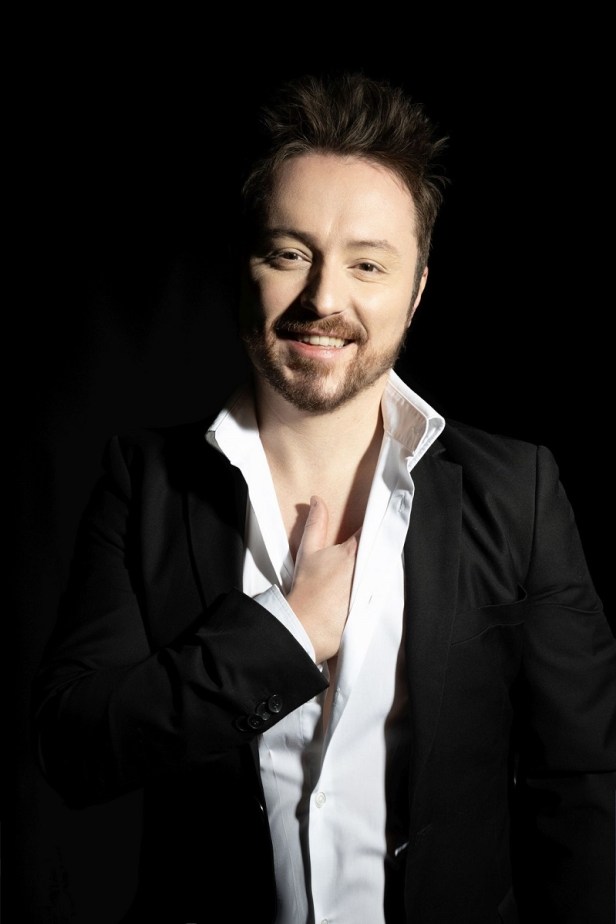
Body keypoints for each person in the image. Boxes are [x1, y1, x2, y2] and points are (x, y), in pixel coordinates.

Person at [32, 71, 616, 924]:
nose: (324, 300)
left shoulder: (518, 493)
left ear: (417, 290)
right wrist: (285, 634)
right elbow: (73, 747)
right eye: (289, 254)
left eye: (367, 265)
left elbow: (582, 790)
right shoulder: (144, 483)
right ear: (243, 267)